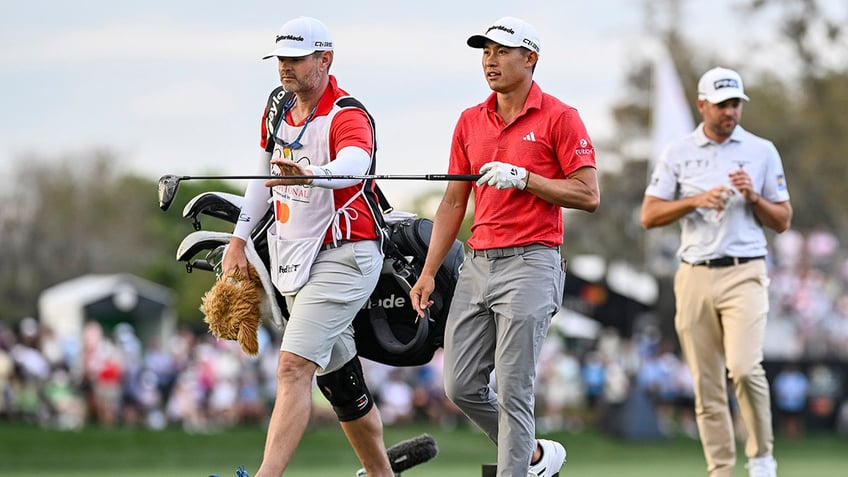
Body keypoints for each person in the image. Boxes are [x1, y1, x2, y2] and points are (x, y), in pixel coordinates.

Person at [409, 16, 599, 477]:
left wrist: (526, 179)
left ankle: (515, 469)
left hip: (532, 261)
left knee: (515, 389)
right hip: (476, 264)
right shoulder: (470, 121)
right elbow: (454, 202)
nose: (490, 61)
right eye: (485, 52)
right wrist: (429, 271)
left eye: (501, 51)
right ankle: (533, 455)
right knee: (460, 385)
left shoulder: (560, 117)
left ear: (530, 58)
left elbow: (588, 194)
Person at [221, 16, 393, 477]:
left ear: (325, 59)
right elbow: (262, 176)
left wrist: (314, 173)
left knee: (293, 367)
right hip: (296, 261)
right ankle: (382, 474)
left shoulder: (347, 112)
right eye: (280, 59)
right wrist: (239, 238)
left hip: (347, 254)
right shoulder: (277, 104)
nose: (285, 68)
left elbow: (355, 163)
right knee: (341, 385)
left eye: (296, 59)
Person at [640, 66, 792, 477]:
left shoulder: (762, 151)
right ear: (702, 104)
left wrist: (753, 196)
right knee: (706, 385)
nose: (731, 112)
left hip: (745, 270)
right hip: (694, 273)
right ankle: (720, 469)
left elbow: (782, 220)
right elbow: (650, 215)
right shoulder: (678, 153)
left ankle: (761, 459)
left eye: (736, 104)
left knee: (744, 367)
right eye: (723, 104)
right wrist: (696, 200)